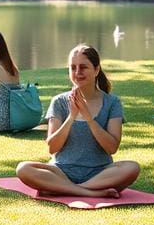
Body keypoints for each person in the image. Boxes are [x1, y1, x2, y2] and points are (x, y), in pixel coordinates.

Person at [16, 44, 140, 197]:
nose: (77, 72)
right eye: (72, 68)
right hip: (61, 171)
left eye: (83, 67)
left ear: (96, 70)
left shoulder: (112, 102)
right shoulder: (59, 102)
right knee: (23, 169)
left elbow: (112, 147)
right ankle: (89, 192)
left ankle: (66, 189)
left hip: (99, 174)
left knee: (132, 168)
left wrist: (88, 118)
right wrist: (71, 117)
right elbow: (52, 147)